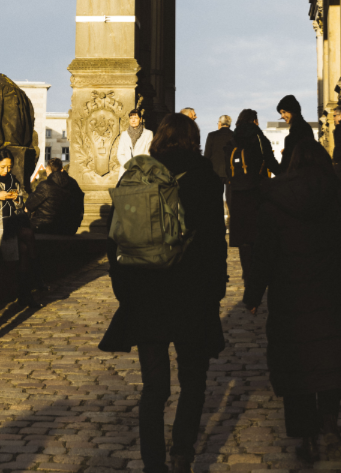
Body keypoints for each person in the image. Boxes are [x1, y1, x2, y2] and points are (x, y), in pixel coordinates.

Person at [100, 112, 227, 473]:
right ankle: (183, 452)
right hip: (193, 295)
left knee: (154, 389)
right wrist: (215, 294)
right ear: (193, 139)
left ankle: (153, 464)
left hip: (146, 294)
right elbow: (216, 243)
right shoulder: (204, 177)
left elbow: (116, 241)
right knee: (193, 382)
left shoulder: (136, 175)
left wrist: (125, 293)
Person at [243, 138, 341, 464]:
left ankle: (306, 437)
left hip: (289, 293)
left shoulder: (274, 198)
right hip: (330, 287)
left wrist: (253, 295)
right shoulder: (333, 190)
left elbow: (263, 253)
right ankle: (330, 423)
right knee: (331, 356)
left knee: (296, 364)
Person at [227, 109, 281, 289]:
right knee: (258, 234)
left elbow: (228, 169)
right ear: (255, 121)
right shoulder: (259, 138)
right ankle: (259, 273)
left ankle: (247, 274)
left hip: (236, 192)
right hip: (256, 190)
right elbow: (271, 162)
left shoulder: (232, 139)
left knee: (243, 237)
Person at [0, 145, 35, 307]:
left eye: (9, 167)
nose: (6, 170)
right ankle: (30, 287)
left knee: (28, 238)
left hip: (10, 222)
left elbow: (20, 205)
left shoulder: (13, 180)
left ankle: (28, 289)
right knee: (24, 247)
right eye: (2, 166)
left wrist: (17, 200)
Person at [25, 157, 85, 236]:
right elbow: (80, 207)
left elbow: (29, 205)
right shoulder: (74, 184)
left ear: (47, 169)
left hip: (43, 228)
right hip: (69, 229)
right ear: (62, 169)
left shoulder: (45, 186)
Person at [277, 94, 315, 170]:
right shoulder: (303, 126)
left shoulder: (298, 129)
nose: (282, 116)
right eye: (281, 113)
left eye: (284, 112)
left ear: (292, 110)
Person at [116, 109, 153, 180]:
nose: (133, 120)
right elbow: (120, 154)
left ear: (140, 119)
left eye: (136, 118)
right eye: (131, 118)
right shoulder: (124, 134)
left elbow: (149, 153)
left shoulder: (148, 134)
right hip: (126, 171)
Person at [203, 115, 234, 181]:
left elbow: (207, 155)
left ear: (220, 123)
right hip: (231, 170)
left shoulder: (212, 135)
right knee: (230, 191)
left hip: (215, 171)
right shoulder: (234, 135)